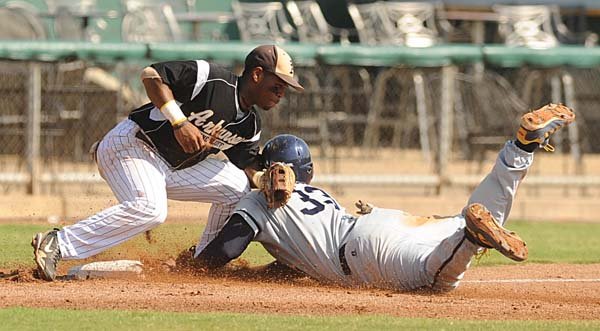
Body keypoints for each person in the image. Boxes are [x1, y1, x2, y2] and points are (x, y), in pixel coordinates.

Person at [194, 103, 575, 292]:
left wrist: (192, 266)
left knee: (436, 280)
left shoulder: (259, 200)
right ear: (307, 172)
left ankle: (471, 239)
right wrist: (264, 273)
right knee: (466, 218)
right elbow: (297, 258)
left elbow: (225, 251)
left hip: (364, 253)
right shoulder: (316, 194)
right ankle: (520, 150)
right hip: (385, 223)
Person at [31, 45, 304, 281]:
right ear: (257, 75)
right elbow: (152, 75)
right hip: (133, 145)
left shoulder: (250, 124)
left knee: (236, 187)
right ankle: (57, 244)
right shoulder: (211, 78)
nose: (281, 93)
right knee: (152, 209)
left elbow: (247, 165)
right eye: (278, 85)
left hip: (171, 168)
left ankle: (200, 263)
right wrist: (179, 121)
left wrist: (263, 180)